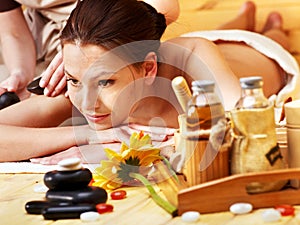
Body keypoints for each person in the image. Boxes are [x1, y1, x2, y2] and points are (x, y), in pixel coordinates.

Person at [0, 0, 298, 164]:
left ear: (148, 69)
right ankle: (239, 19)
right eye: (73, 80)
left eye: (105, 83)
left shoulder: (195, 56)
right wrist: (89, 136)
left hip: (252, 59)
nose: (87, 103)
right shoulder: (85, 77)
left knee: (272, 38)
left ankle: (268, 29)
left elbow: (241, 126)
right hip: (169, 51)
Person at [0, 0, 180, 100]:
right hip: (46, 49)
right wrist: (20, 72)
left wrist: (83, 48)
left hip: (109, 40)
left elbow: (162, 5)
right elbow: (13, 33)